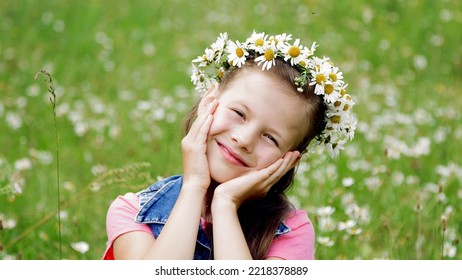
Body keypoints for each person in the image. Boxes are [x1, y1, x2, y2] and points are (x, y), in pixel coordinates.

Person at [103, 31, 356, 260]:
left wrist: (225, 204)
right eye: (239, 113)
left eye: (270, 138)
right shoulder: (134, 213)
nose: (244, 140)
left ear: (289, 159)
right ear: (209, 101)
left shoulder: (291, 232)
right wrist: (194, 187)